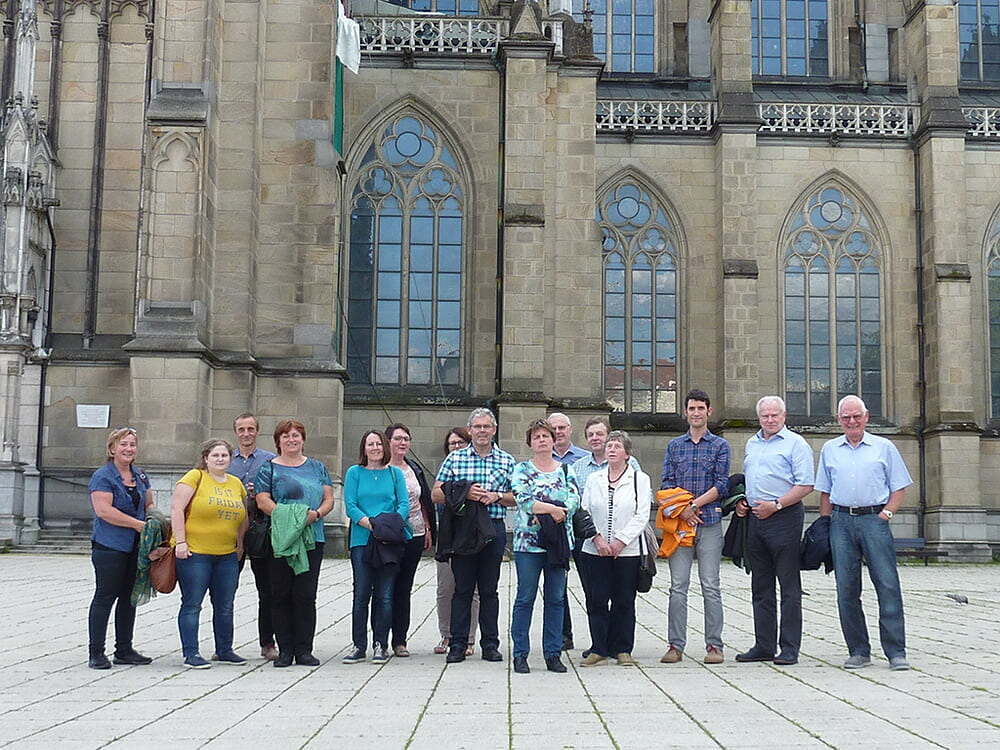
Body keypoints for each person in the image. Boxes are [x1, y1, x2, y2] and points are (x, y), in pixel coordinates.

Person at [816, 395, 913, 671]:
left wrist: (887, 515)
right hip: (841, 520)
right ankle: (858, 650)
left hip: (874, 519)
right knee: (846, 589)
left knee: (887, 584)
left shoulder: (884, 447)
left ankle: (896, 651)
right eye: (846, 417)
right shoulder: (829, 449)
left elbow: (899, 487)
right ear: (839, 420)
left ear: (866, 417)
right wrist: (825, 524)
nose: (852, 421)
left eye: (856, 416)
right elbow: (825, 491)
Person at [432, 407, 515, 665]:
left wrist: (497, 496)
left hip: (493, 527)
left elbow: (518, 497)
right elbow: (435, 493)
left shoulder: (507, 460)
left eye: (486, 427)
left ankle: (490, 644)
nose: (482, 431)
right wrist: (464, 492)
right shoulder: (455, 459)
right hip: (464, 529)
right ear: (470, 430)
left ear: (494, 429)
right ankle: (457, 644)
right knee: (462, 589)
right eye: (477, 427)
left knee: (489, 590)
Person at [735, 396, 814, 666]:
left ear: (784, 416)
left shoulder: (796, 444)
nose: (770, 420)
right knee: (761, 585)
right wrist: (744, 503)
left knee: (789, 587)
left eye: (774, 415)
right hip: (756, 519)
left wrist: (776, 505)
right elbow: (752, 480)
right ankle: (764, 645)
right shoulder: (752, 443)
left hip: (784, 517)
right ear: (759, 418)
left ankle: (789, 647)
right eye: (765, 416)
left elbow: (805, 485)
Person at [254, 419, 334, 668]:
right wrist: (289, 519)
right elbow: (262, 500)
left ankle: (304, 649)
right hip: (280, 538)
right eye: (286, 436)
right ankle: (285, 650)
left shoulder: (318, 467)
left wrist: (316, 514)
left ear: (303, 439)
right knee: (280, 593)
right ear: (278, 441)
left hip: (312, 538)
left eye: (296, 435)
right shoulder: (268, 469)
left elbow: (328, 498)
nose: (291, 440)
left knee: (305, 594)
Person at [660, 388, 730, 665]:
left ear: (708, 411)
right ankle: (675, 646)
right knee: (678, 585)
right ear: (685, 412)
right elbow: (666, 483)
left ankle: (714, 645)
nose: (697, 413)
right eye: (692, 408)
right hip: (680, 525)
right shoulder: (674, 446)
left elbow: (722, 484)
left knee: (710, 584)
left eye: (701, 408)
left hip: (710, 522)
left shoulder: (720, 445)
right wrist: (682, 510)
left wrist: (694, 506)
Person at [509, 419, 581, 674]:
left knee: (556, 599)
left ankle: (553, 653)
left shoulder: (566, 471)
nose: (542, 440)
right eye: (537, 436)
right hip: (528, 544)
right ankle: (520, 653)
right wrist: (552, 508)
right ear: (530, 442)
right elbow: (524, 501)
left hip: (558, 543)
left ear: (553, 440)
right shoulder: (521, 470)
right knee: (525, 597)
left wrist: (559, 509)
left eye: (546, 436)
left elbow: (574, 499)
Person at [170, 439, 249, 669]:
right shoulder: (195, 477)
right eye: (215, 455)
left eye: (224, 455)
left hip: (226, 554)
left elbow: (243, 516)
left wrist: (240, 544)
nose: (220, 459)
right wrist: (181, 542)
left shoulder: (236, 484)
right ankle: (191, 653)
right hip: (196, 553)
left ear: (230, 459)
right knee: (192, 603)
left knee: (225, 604)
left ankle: (224, 649)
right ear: (206, 458)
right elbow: (176, 509)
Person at [577, 430, 651, 667]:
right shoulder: (594, 479)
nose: (611, 449)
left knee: (624, 600)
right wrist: (597, 539)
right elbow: (584, 510)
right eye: (609, 446)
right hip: (595, 549)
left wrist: (620, 541)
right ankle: (598, 647)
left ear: (627, 454)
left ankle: (622, 649)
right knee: (596, 599)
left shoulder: (640, 479)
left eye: (617, 446)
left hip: (627, 551)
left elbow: (642, 515)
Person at [86, 427, 155, 669]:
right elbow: (104, 511)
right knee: (105, 596)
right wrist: (138, 525)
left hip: (136, 547)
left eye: (132, 445)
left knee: (129, 598)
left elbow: (149, 503)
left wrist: (156, 521)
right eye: (123, 444)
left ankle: (124, 649)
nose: (128, 449)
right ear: (112, 448)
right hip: (110, 546)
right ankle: (96, 652)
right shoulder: (102, 476)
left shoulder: (141, 476)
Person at [342, 430, 410, 664]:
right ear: (363, 448)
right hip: (362, 539)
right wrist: (371, 524)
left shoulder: (394, 474)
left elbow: (403, 504)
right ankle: (358, 645)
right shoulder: (354, 473)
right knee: (361, 593)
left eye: (378, 444)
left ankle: (381, 643)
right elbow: (350, 505)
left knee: (385, 594)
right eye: (370, 444)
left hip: (388, 541)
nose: (375, 448)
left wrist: (386, 525)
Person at [228, 412, 278, 661]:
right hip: (230, 530)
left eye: (250, 429)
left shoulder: (269, 460)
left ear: (257, 431)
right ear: (235, 432)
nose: (246, 434)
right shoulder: (226, 460)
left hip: (260, 529)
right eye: (241, 429)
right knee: (226, 589)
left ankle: (267, 642)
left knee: (266, 589)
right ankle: (223, 644)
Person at [384, 423, 436, 657]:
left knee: (404, 587)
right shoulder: (380, 468)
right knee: (385, 588)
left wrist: (427, 526)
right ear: (388, 442)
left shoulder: (413, 468)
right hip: (386, 536)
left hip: (413, 533)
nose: (402, 443)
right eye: (397, 439)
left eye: (406, 439)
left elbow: (423, 499)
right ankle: (380, 637)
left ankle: (400, 640)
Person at [433, 427, 480, 655]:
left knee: (471, 590)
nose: (457, 447)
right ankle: (447, 635)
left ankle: (469, 638)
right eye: (452, 444)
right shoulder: (447, 470)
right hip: (449, 534)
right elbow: (435, 496)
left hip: (472, 534)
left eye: (461, 443)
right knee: (445, 587)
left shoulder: (473, 467)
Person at [547, 412, 588, 651]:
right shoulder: (541, 459)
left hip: (581, 530)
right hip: (555, 531)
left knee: (590, 584)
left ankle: (599, 638)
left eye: (563, 427)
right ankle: (564, 635)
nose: (559, 431)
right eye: (555, 428)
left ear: (570, 429)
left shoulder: (583, 459)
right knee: (558, 586)